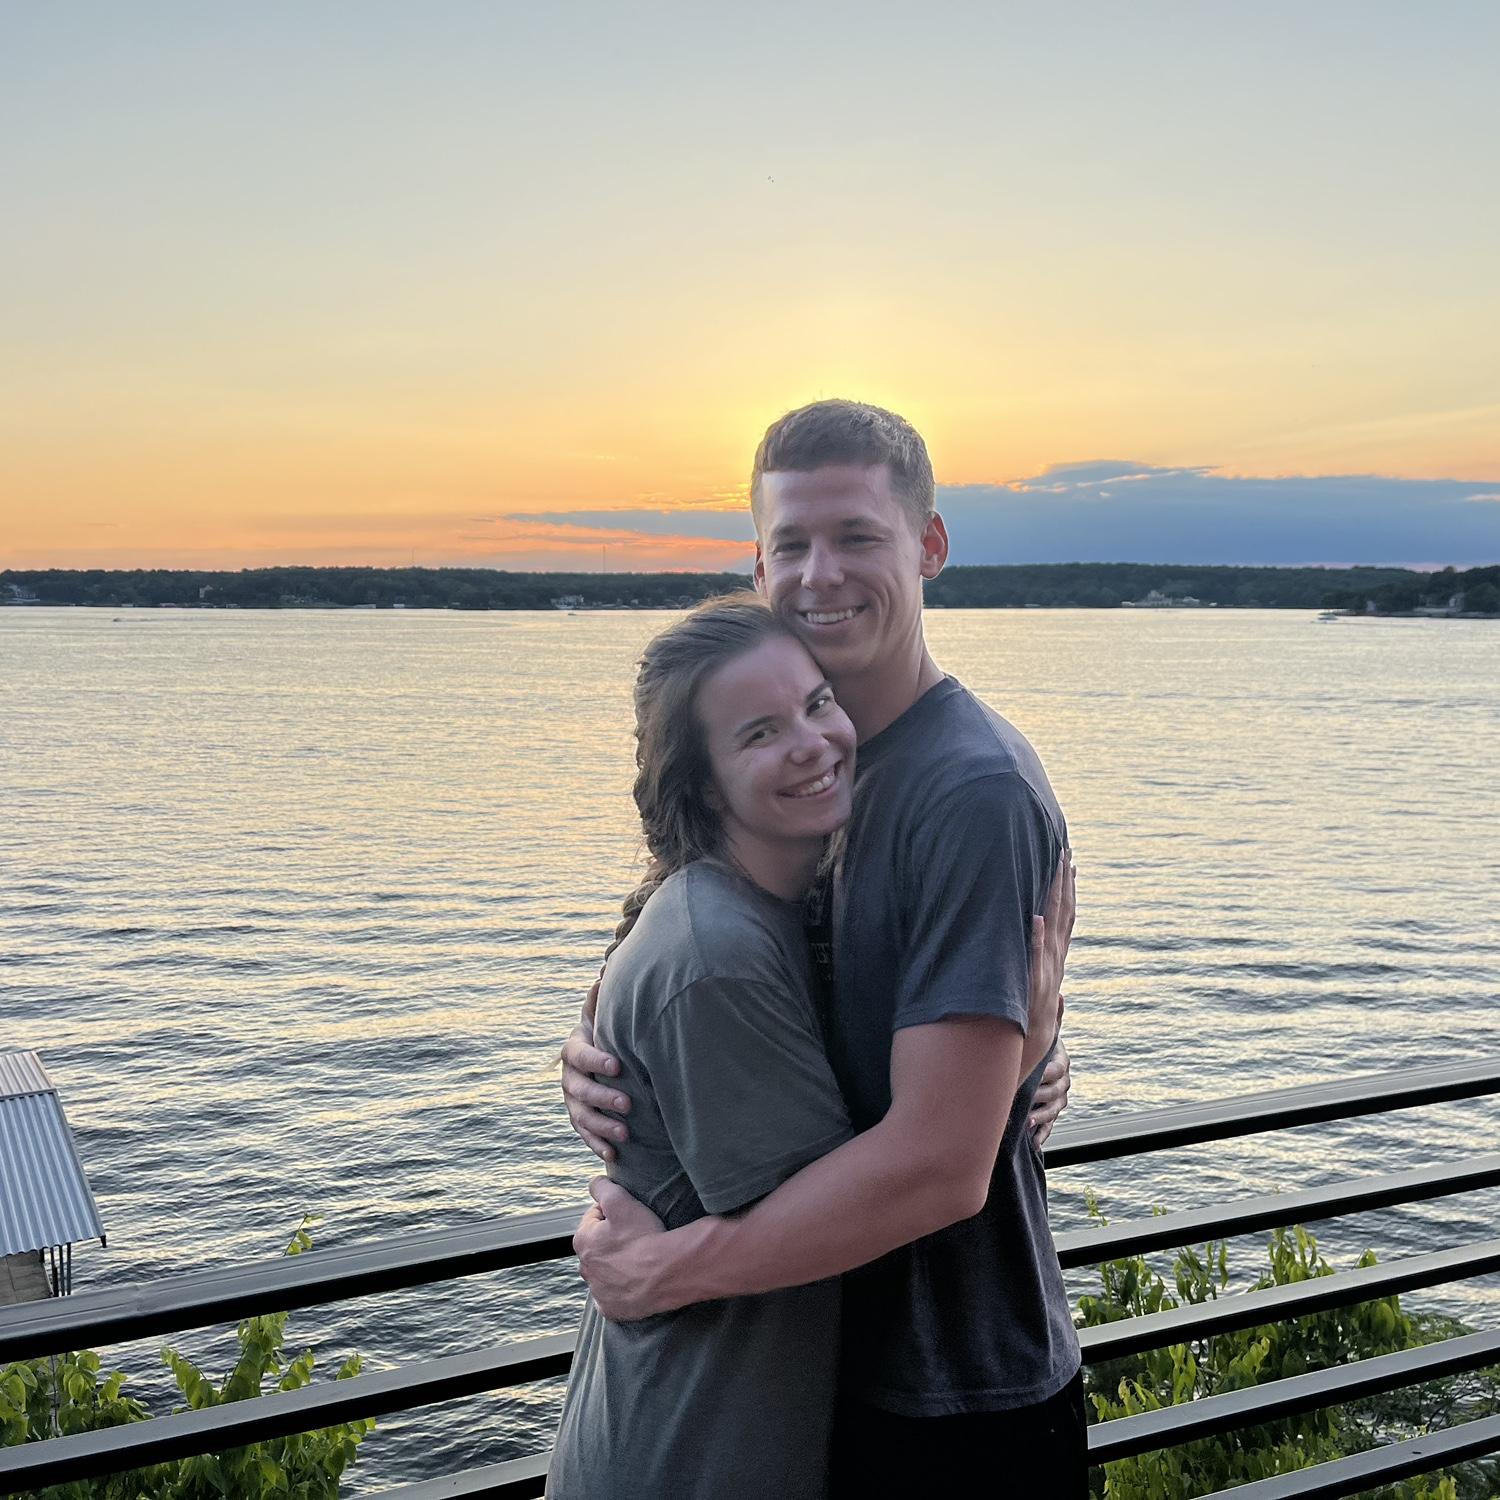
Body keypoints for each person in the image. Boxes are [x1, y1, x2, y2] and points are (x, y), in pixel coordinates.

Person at [562, 399, 1086, 1497]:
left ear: (929, 545)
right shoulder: (827, 776)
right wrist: (608, 1040)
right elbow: (723, 942)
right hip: (831, 1379)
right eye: (791, 544)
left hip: (951, 1396)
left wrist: (664, 1271)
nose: (820, 574)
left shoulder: (968, 793)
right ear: (757, 566)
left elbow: (940, 1167)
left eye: (857, 536)